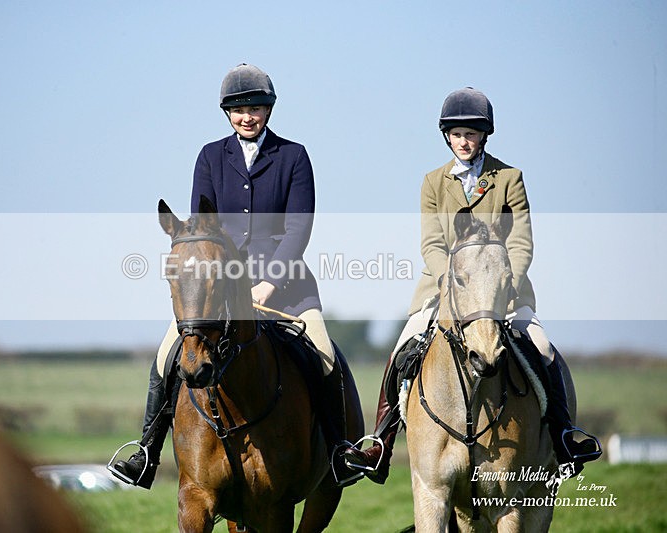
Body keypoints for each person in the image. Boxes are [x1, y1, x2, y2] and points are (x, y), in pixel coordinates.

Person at [112, 63, 356, 488]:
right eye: (239, 109)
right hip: (216, 290)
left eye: (257, 108)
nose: (248, 116)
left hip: (286, 287)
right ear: (227, 113)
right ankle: (147, 452)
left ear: (269, 110)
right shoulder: (210, 156)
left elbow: (299, 227)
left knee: (324, 354)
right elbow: (200, 228)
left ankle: (339, 453)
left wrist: (270, 280)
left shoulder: (293, 156)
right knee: (165, 357)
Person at [344, 87, 601, 484]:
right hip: (443, 291)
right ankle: (380, 442)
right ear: (447, 136)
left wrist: (506, 282)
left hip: (503, 292)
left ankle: (563, 436)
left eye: (472, 134)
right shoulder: (433, 182)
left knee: (544, 348)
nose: (464, 142)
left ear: (485, 135)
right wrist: (451, 282)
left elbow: (520, 240)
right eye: (457, 134)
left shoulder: (509, 179)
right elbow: (431, 242)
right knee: (401, 349)